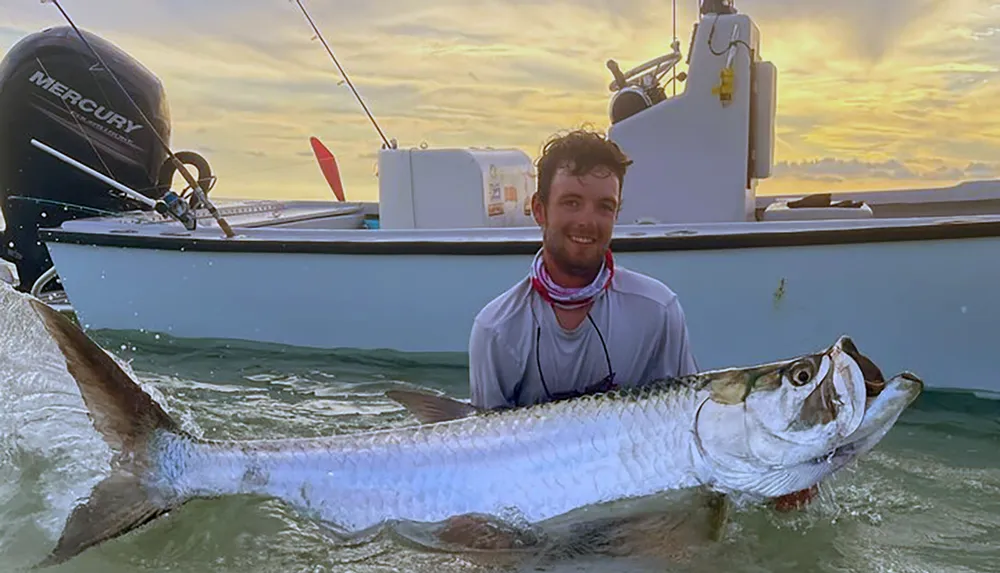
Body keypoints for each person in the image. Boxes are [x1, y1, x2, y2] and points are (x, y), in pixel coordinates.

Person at [468, 128, 698, 409]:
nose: (587, 221)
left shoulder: (658, 311)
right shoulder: (496, 329)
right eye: (571, 203)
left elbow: (681, 418)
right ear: (540, 210)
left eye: (604, 206)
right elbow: (488, 445)